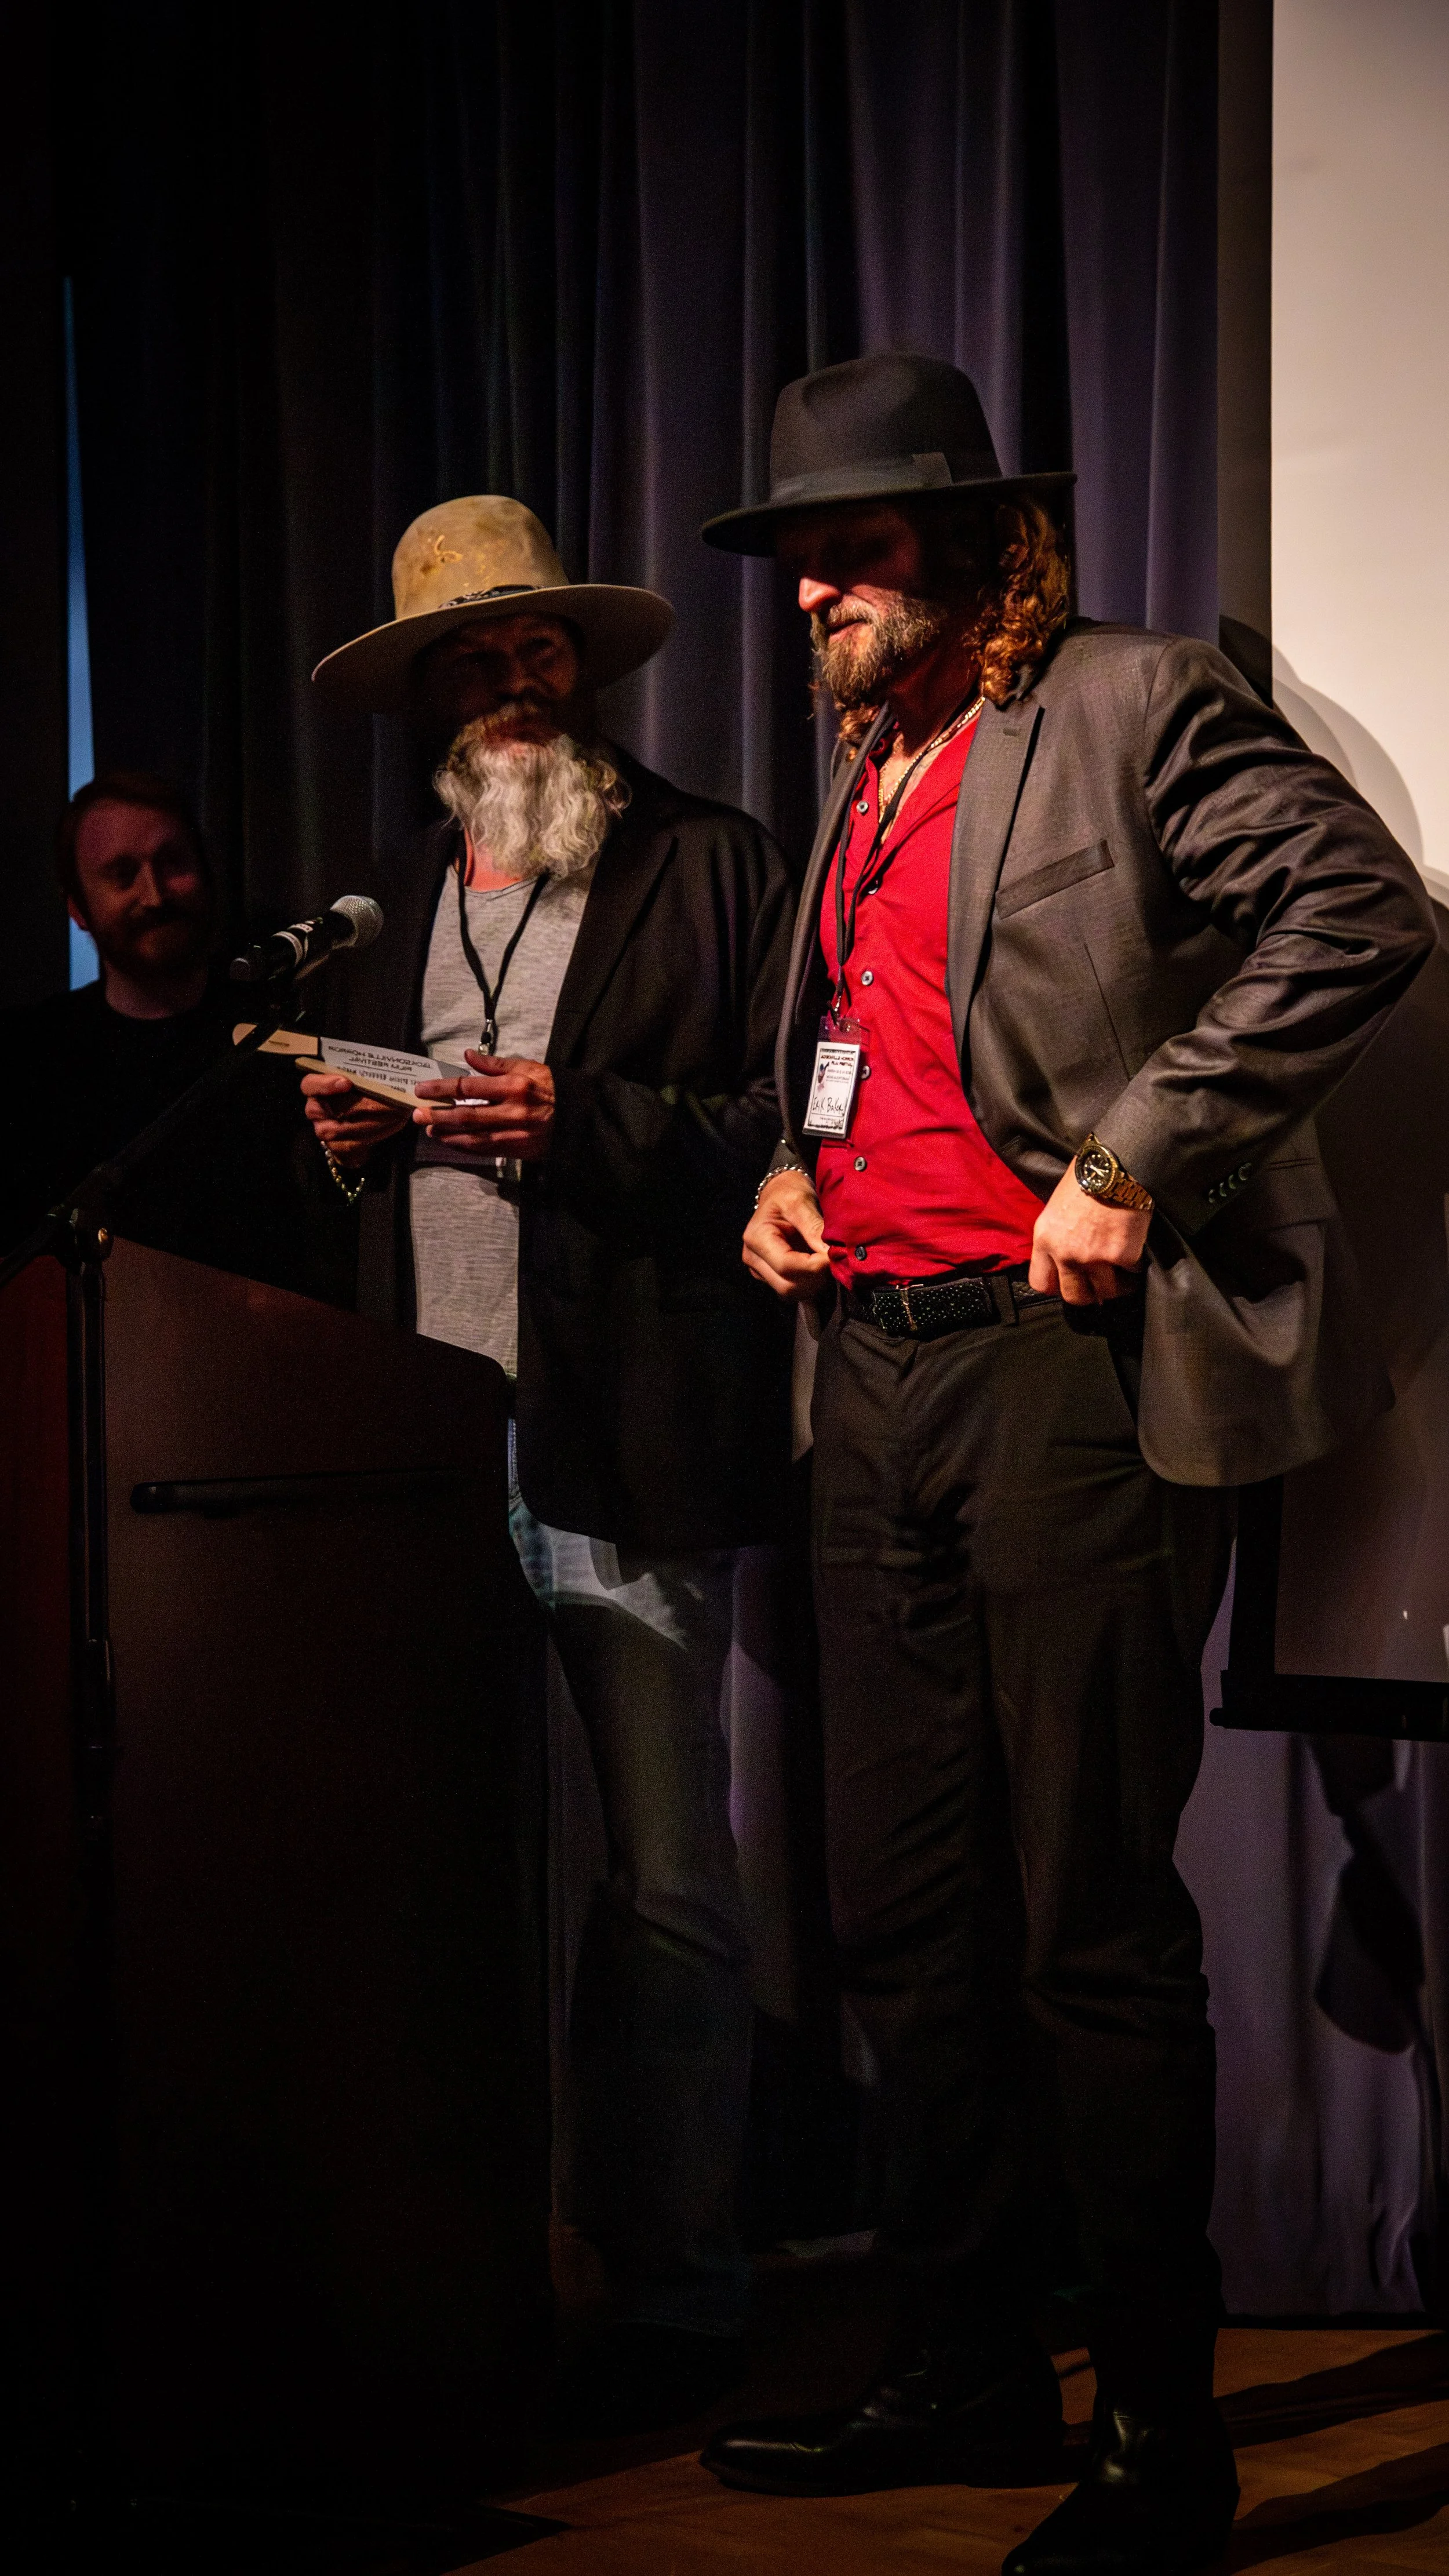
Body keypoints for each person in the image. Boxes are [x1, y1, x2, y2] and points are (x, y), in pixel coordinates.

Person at [696, 354, 1436, 2575]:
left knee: (1080, 1928)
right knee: (903, 1919)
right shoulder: (866, 766)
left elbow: (1360, 915)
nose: (813, 583)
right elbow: (862, 1055)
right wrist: (777, 1181)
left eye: (854, 543)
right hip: (869, 1371)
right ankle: (963, 2365)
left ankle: (1160, 2435)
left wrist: (1132, 1154)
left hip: (1060, 1374)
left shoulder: (1122, 703)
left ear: (968, 545)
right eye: (796, 552)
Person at [303, 496, 796, 2431]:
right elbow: (340, 1140)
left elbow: (777, 1132)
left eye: (540, 650)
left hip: (625, 1441)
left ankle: (681, 2300)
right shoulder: (383, 899)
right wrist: (338, 1147)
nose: (515, 684)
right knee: (434, 1885)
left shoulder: (707, 868)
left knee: (668, 1882)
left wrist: (578, 1117)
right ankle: (460, 2263)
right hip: (418, 1450)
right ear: (432, 701)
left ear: (580, 672)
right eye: (474, 660)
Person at [0, 772, 346, 1298]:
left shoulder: (285, 1031)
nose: (155, 894)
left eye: (173, 864)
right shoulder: (33, 1060)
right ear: (78, 910)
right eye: (122, 875)